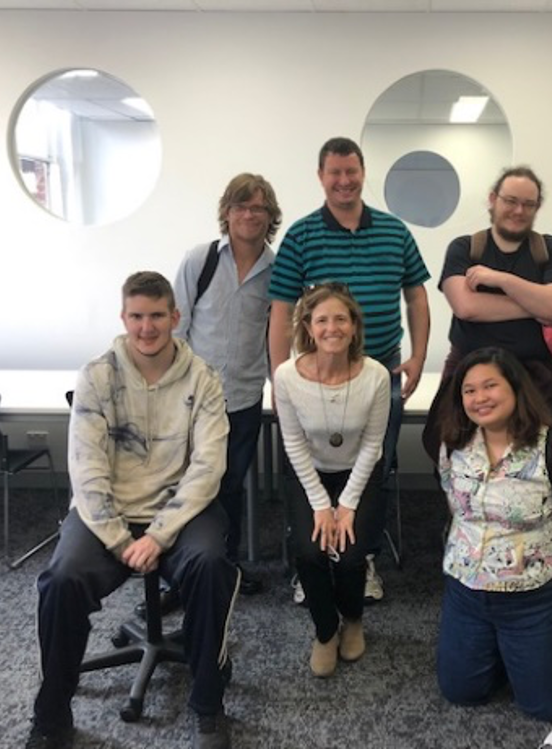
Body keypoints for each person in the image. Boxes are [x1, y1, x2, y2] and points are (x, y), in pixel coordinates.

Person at [26, 272, 238, 750]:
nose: (147, 327)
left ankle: (209, 706)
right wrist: (122, 540)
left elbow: (207, 468)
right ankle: (52, 713)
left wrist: (158, 536)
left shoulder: (203, 378)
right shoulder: (97, 376)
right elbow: (86, 469)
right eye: (137, 316)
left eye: (157, 316)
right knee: (61, 581)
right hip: (108, 513)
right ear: (124, 319)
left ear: (174, 317)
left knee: (210, 567)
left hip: (181, 509)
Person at [269, 136, 430, 603]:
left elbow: (416, 294)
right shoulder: (300, 235)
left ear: (363, 173)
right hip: (314, 379)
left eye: (351, 171)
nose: (344, 180)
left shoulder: (394, 231)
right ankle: (312, 559)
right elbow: (281, 310)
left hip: (380, 377)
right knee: (308, 468)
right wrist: (281, 377)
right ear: (321, 177)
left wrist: (418, 355)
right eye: (334, 172)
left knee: (373, 468)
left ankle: (364, 557)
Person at [436, 347, 552, 722]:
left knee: (542, 707)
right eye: (469, 390)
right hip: (465, 591)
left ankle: (549, 647)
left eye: (490, 386)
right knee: (461, 692)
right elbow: (457, 508)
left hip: (532, 598)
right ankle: (505, 651)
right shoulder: (453, 445)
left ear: (516, 389)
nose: (479, 398)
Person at [423, 165, 552, 461]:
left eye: (528, 204)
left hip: (537, 376)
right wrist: (536, 303)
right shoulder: (464, 248)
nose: (519, 210)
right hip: (470, 374)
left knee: (546, 463)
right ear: (493, 199)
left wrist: (500, 280)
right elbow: (466, 307)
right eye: (511, 201)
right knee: (459, 459)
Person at [172, 172, 282, 600]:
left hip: (243, 399)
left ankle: (225, 568)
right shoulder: (200, 260)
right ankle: (177, 575)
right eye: (241, 206)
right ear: (227, 212)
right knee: (186, 486)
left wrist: (281, 386)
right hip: (193, 401)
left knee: (230, 488)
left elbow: (279, 335)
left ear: (270, 216)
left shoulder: (278, 269)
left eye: (258, 208)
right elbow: (175, 328)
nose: (249, 215)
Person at [272, 283, 390, 677]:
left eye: (341, 319)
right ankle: (325, 631)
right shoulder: (287, 376)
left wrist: (348, 504)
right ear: (308, 326)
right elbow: (292, 441)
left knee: (353, 551)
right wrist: (322, 505)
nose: (332, 328)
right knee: (309, 550)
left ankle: (353, 620)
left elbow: (373, 444)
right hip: (310, 473)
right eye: (322, 320)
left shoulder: (375, 376)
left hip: (359, 471)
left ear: (354, 326)